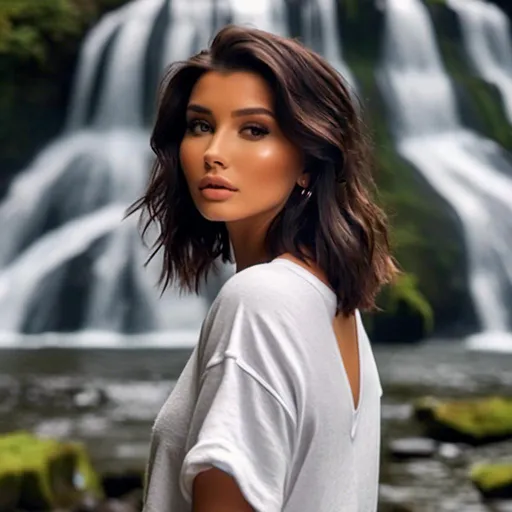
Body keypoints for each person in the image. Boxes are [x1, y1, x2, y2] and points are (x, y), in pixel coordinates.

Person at [130, 24, 397, 512]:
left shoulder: (261, 300)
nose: (213, 153)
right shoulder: (334, 308)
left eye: (254, 130)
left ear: (307, 161)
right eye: (200, 126)